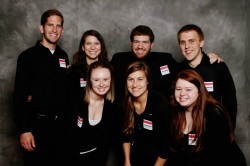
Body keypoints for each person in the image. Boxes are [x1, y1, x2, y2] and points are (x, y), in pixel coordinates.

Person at [111, 25, 221, 106]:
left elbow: (187, 69)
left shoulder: (164, 59)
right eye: (136, 42)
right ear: (131, 43)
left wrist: (206, 58)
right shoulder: (119, 60)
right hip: (125, 111)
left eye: (145, 42)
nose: (140, 46)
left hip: (160, 113)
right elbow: (99, 73)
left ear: (152, 44)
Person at [13, 9, 69, 166]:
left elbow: (62, 90)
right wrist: (24, 130)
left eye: (58, 26)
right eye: (50, 25)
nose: (54, 30)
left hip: (59, 129)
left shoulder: (63, 56)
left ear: (62, 30)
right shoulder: (27, 57)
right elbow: (19, 96)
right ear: (41, 28)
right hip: (36, 127)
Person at [168, 69, 246, 166]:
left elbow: (215, 157)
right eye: (178, 89)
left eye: (188, 89)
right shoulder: (175, 112)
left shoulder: (214, 114)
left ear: (199, 91)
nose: (182, 93)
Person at [177, 24, 237, 129]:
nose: (187, 46)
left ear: (201, 43)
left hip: (214, 128)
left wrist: (229, 130)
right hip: (189, 129)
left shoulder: (217, 66)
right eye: (183, 42)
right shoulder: (178, 70)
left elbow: (230, 100)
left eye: (191, 41)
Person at [64, 60, 116, 166]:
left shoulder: (112, 108)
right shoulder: (75, 102)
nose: (101, 84)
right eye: (96, 80)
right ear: (89, 81)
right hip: (71, 160)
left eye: (105, 79)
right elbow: (64, 139)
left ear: (111, 80)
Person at [122, 61, 171, 166]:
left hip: (158, 160)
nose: (135, 85)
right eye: (130, 79)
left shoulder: (159, 101)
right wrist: (127, 161)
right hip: (135, 158)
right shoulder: (125, 103)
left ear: (148, 81)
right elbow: (126, 135)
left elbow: (166, 144)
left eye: (140, 79)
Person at [68, 30, 108, 97]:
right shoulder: (73, 70)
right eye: (88, 43)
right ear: (83, 47)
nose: (92, 47)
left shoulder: (108, 69)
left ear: (101, 46)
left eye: (96, 43)